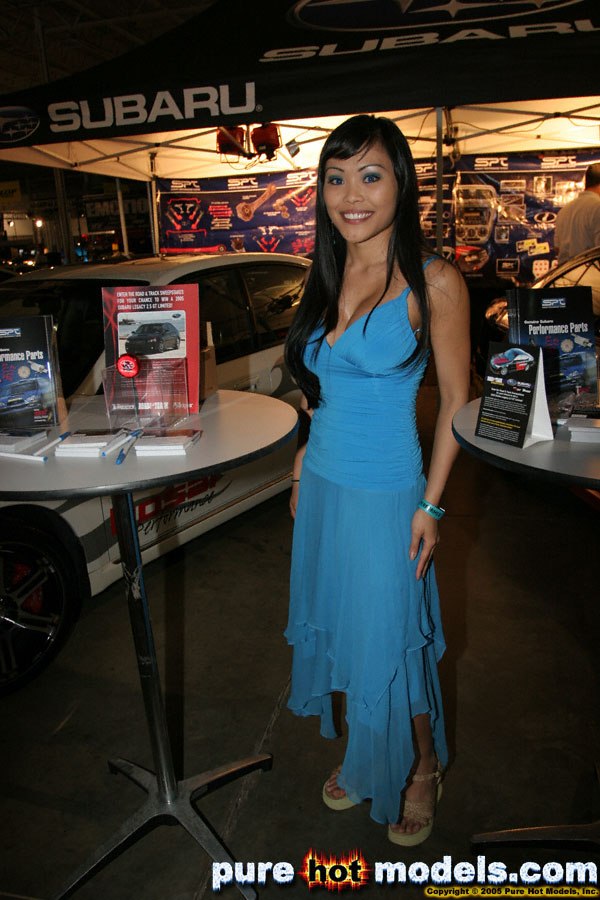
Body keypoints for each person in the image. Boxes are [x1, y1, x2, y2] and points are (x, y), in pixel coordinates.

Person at [283, 114, 470, 846]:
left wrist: (432, 505)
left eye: (370, 176)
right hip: (324, 485)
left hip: (391, 493)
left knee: (392, 637)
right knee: (351, 631)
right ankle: (368, 755)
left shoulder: (435, 280)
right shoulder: (326, 271)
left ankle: (421, 764)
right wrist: (302, 462)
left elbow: (457, 402)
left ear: (402, 185)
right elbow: (318, 386)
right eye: (336, 179)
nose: (351, 196)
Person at [554, 163, 600, 264]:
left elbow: (557, 248)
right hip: (591, 271)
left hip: (567, 271)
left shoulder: (564, 211)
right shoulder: (598, 206)